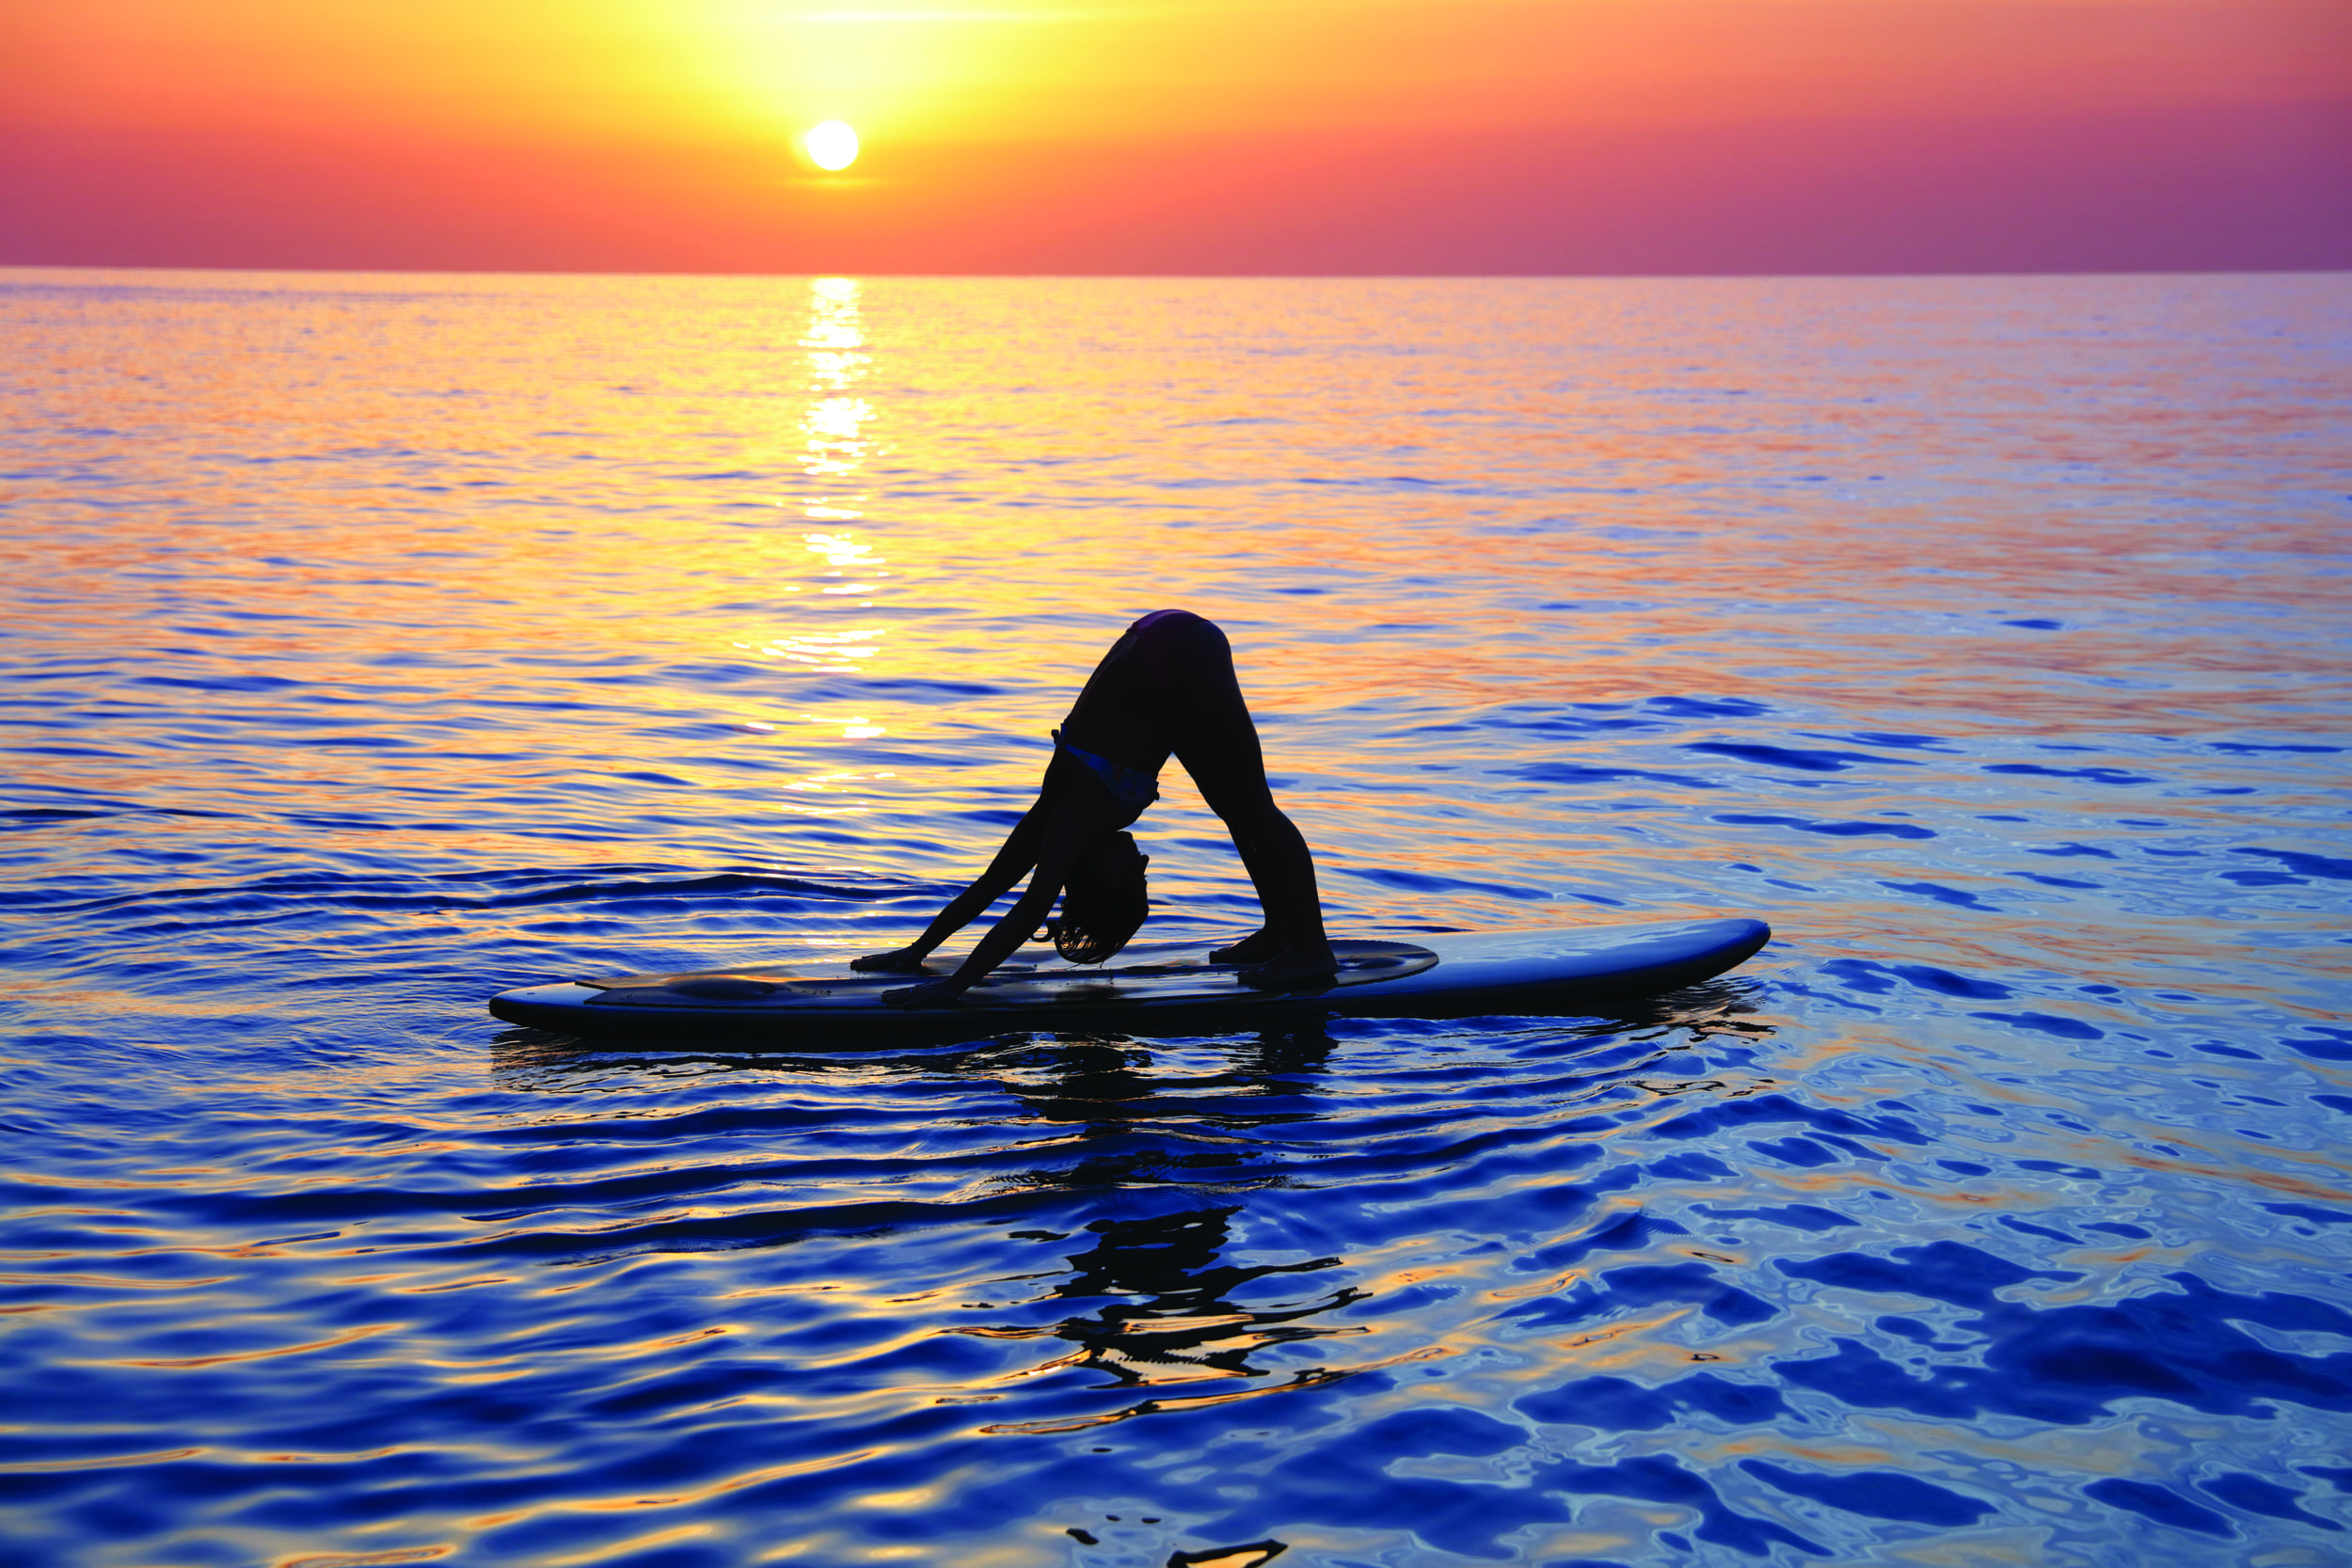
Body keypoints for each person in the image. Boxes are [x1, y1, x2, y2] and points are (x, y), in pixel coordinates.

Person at [853, 609, 1337, 1006]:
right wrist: (917, 953)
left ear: (1104, 878)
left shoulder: (1069, 821)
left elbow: (1023, 906)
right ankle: (1281, 930)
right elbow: (990, 887)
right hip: (1160, 654)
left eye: (1138, 877)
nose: (1143, 861)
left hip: (1177, 655)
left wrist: (950, 985)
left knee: (1253, 809)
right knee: (1240, 810)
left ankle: (1310, 947)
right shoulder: (1055, 818)